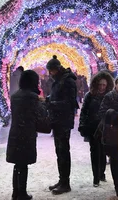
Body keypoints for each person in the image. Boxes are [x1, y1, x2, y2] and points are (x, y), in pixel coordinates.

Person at [6, 70, 50, 200]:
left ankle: (15, 192)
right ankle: (22, 193)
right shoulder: (32, 97)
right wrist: (42, 102)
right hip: (26, 134)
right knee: (23, 164)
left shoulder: (14, 96)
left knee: (17, 164)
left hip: (15, 133)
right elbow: (39, 114)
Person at [45, 55, 77, 195]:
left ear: (55, 70)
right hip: (58, 120)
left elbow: (69, 103)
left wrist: (51, 104)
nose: (49, 74)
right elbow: (58, 97)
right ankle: (62, 179)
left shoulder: (67, 81)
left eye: (50, 71)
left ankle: (66, 183)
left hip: (63, 121)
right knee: (59, 152)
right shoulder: (59, 81)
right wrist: (49, 99)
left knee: (63, 152)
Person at [78, 70, 113, 187]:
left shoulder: (109, 96)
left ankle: (102, 173)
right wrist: (82, 124)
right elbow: (84, 111)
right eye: (100, 84)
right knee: (94, 152)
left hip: (105, 128)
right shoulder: (90, 95)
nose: (102, 87)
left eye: (104, 85)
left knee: (103, 152)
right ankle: (96, 177)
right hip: (92, 127)